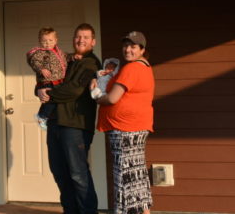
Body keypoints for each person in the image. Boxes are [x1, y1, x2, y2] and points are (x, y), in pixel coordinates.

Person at [39, 23, 101, 214]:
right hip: (56, 122)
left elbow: (74, 90)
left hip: (75, 126)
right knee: (60, 172)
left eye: (85, 37)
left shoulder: (91, 64)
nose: (81, 40)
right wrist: (40, 90)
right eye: (78, 36)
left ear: (93, 41)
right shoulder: (67, 60)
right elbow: (47, 79)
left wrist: (50, 92)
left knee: (78, 174)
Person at [93, 31, 155, 214]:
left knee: (124, 176)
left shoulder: (132, 68)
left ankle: (123, 211)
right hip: (135, 127)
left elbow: (112, 99)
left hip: (124, 128)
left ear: (142, 49)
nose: (128, 50)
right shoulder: (144, 67)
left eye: (133, 46)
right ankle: (144, 212)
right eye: (125, 46)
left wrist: (97, 95)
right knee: (136, 174)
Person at [26, 27, 68, 130]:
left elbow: (65, 58)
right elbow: (34, 61)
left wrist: (73, 57)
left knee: (53, 100)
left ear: (56, 40)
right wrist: (41, 69)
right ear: (40, 41)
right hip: (47, 81)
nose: (47, 43)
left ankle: (46, 117)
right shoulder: (40, 53)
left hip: (58, 81)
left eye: (50, 40)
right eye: (44, 41)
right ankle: (42, 116)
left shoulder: (59, 52)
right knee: (50, 100)